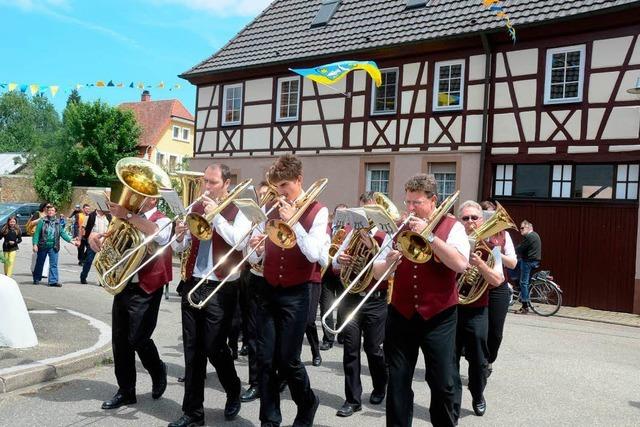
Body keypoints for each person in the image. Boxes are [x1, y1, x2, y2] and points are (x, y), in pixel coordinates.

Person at [375, 173, 469, 427]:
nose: (410, 208)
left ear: (433, 200)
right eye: (407, 202)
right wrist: (389, 261)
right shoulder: (399, 227)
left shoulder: (453, 227)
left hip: (439, 315)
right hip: (401, 313)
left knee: (442, 382)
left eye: (416, 203)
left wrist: (429, 236)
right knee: (397, 380)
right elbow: (376, 271)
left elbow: (460, 264)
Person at [247, 154, 327, 427]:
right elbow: (252, 257)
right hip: (269, 289)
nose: (279, 192)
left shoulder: (318, 210)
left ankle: (307, 402)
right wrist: (255, 249)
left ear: (298, 180)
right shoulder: (269, 208)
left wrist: (293, 222)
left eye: (284, 186)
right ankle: (269, 420)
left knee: (288, 360)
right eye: (276, 186)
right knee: (265, 359)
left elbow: (314, 253)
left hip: (296, 293)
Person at [169, 163, 249, 427]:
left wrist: (215, 218)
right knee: (192, 350)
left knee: (215, 346)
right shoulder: (195, 208)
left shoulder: (239, 210)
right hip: (194, 280)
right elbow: (181, 246)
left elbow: (239, 240)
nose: (206, 187)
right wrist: (179, 236)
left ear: (226, 183)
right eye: (205, 181)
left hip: (222, 285)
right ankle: (193, 413)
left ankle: (233, 386)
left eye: (212, 182)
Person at [91, 196, 171, 411]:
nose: (135, 199)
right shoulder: (124, 220)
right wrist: (96, 240)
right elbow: (109, 244)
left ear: (153, 200)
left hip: (148, 285)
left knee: (138, 338)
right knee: (120, 340)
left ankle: (157, 369)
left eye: (141, 196)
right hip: (124, 283)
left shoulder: (162, 220)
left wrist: (127, 215)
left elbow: (160, 235)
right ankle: (126, 391)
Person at [452, 200, 514, 419]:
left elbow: (497, 279)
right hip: (452, 308)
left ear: (481, 220)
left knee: (479, 360)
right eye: (465, 218)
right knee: (449, 359)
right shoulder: (452, 241)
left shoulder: (490, 247)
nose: (470, 222)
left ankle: (477, 394)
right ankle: (452, 403)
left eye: (474, 217)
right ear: (460, 221)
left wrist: (479, 264)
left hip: (478, 309)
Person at [331, 192, 389, 417]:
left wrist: (373, 249)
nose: (365, 218)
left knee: (374, 349)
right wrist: (341, 259)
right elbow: (335, 261)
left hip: (375, 300)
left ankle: (380, 385)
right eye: (362, 213)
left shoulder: (386, 236)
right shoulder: (351, 233)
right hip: (351, 297)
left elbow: (386, 271)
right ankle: (352, 399)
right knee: (350, 350)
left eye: (370, 213)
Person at [239, 180, 272, 403]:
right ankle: (255, 382)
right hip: (253, 278)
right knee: (252, 334)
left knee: (270, 337)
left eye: (267, 194)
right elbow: (245, 252)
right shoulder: (255, 219)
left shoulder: (279, 218)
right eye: (261, 195)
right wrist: (252, 242)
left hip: (272, 282)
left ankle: (272, 379)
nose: (263, 199)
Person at [479, 200, 517, 375]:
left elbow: (513, 263)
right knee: (479, 330)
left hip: (498, 286)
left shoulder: (504, 235)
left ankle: (489, 359)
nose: (489, 217)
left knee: (496, 332)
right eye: (485, 214)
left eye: (491, 214)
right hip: (476, 285)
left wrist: (495, 250)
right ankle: (479, 361)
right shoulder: (472, 231)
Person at [319, 203, 348, 351]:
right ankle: (328, 338)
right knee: (326, 306)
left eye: (344, 214)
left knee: (344, 306)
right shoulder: (326, 227)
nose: (341, 217)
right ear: (334, 214)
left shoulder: (350, 230)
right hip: (327, 273)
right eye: (339, 214)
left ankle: (341, 332)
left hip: (343, 274)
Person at [32, 204, 79, 287]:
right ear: (47, 212)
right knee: (40, 262)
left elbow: (63, 233)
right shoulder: (42, 221)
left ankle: (53, 281)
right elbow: (37, 234)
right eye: (49, 210)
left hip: (54, 246)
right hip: (43, 245)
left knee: (53, 264)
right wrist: (35, 244)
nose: (50, 212)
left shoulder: (57, 222)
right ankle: (36, 278)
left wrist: (72, 241)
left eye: (52, 210)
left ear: (55, 212)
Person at [513, 220, 542, 314]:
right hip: (533, 261)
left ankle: (525, 306)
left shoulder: (529, 236)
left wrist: (511, 251)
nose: (520, 230)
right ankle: (520, 290)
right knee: (516, 264)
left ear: (529, 228)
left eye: (522, 228)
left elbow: (521, 248)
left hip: (528, 262)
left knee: (523, 283)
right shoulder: (535, 235)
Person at [80, 209, 111, 284]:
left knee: (103, 263)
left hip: (104, 242)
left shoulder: (108, 216)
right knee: (89, 260)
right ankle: (83, 277)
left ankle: (101, 280)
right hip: (93, 241)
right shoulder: (91, 216)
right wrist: (82, 238)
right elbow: (83, 228)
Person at [28, 202, 49, 277]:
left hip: (46, 237)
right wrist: (41, 219)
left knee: (47, 255)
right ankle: (34, 269)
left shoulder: (51, 215)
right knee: (36, 253)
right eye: (48, 206)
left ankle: (43, 272)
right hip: (37, 235)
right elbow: (31, 223)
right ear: (44, 207)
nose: (49, 208)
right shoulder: (38, 213)